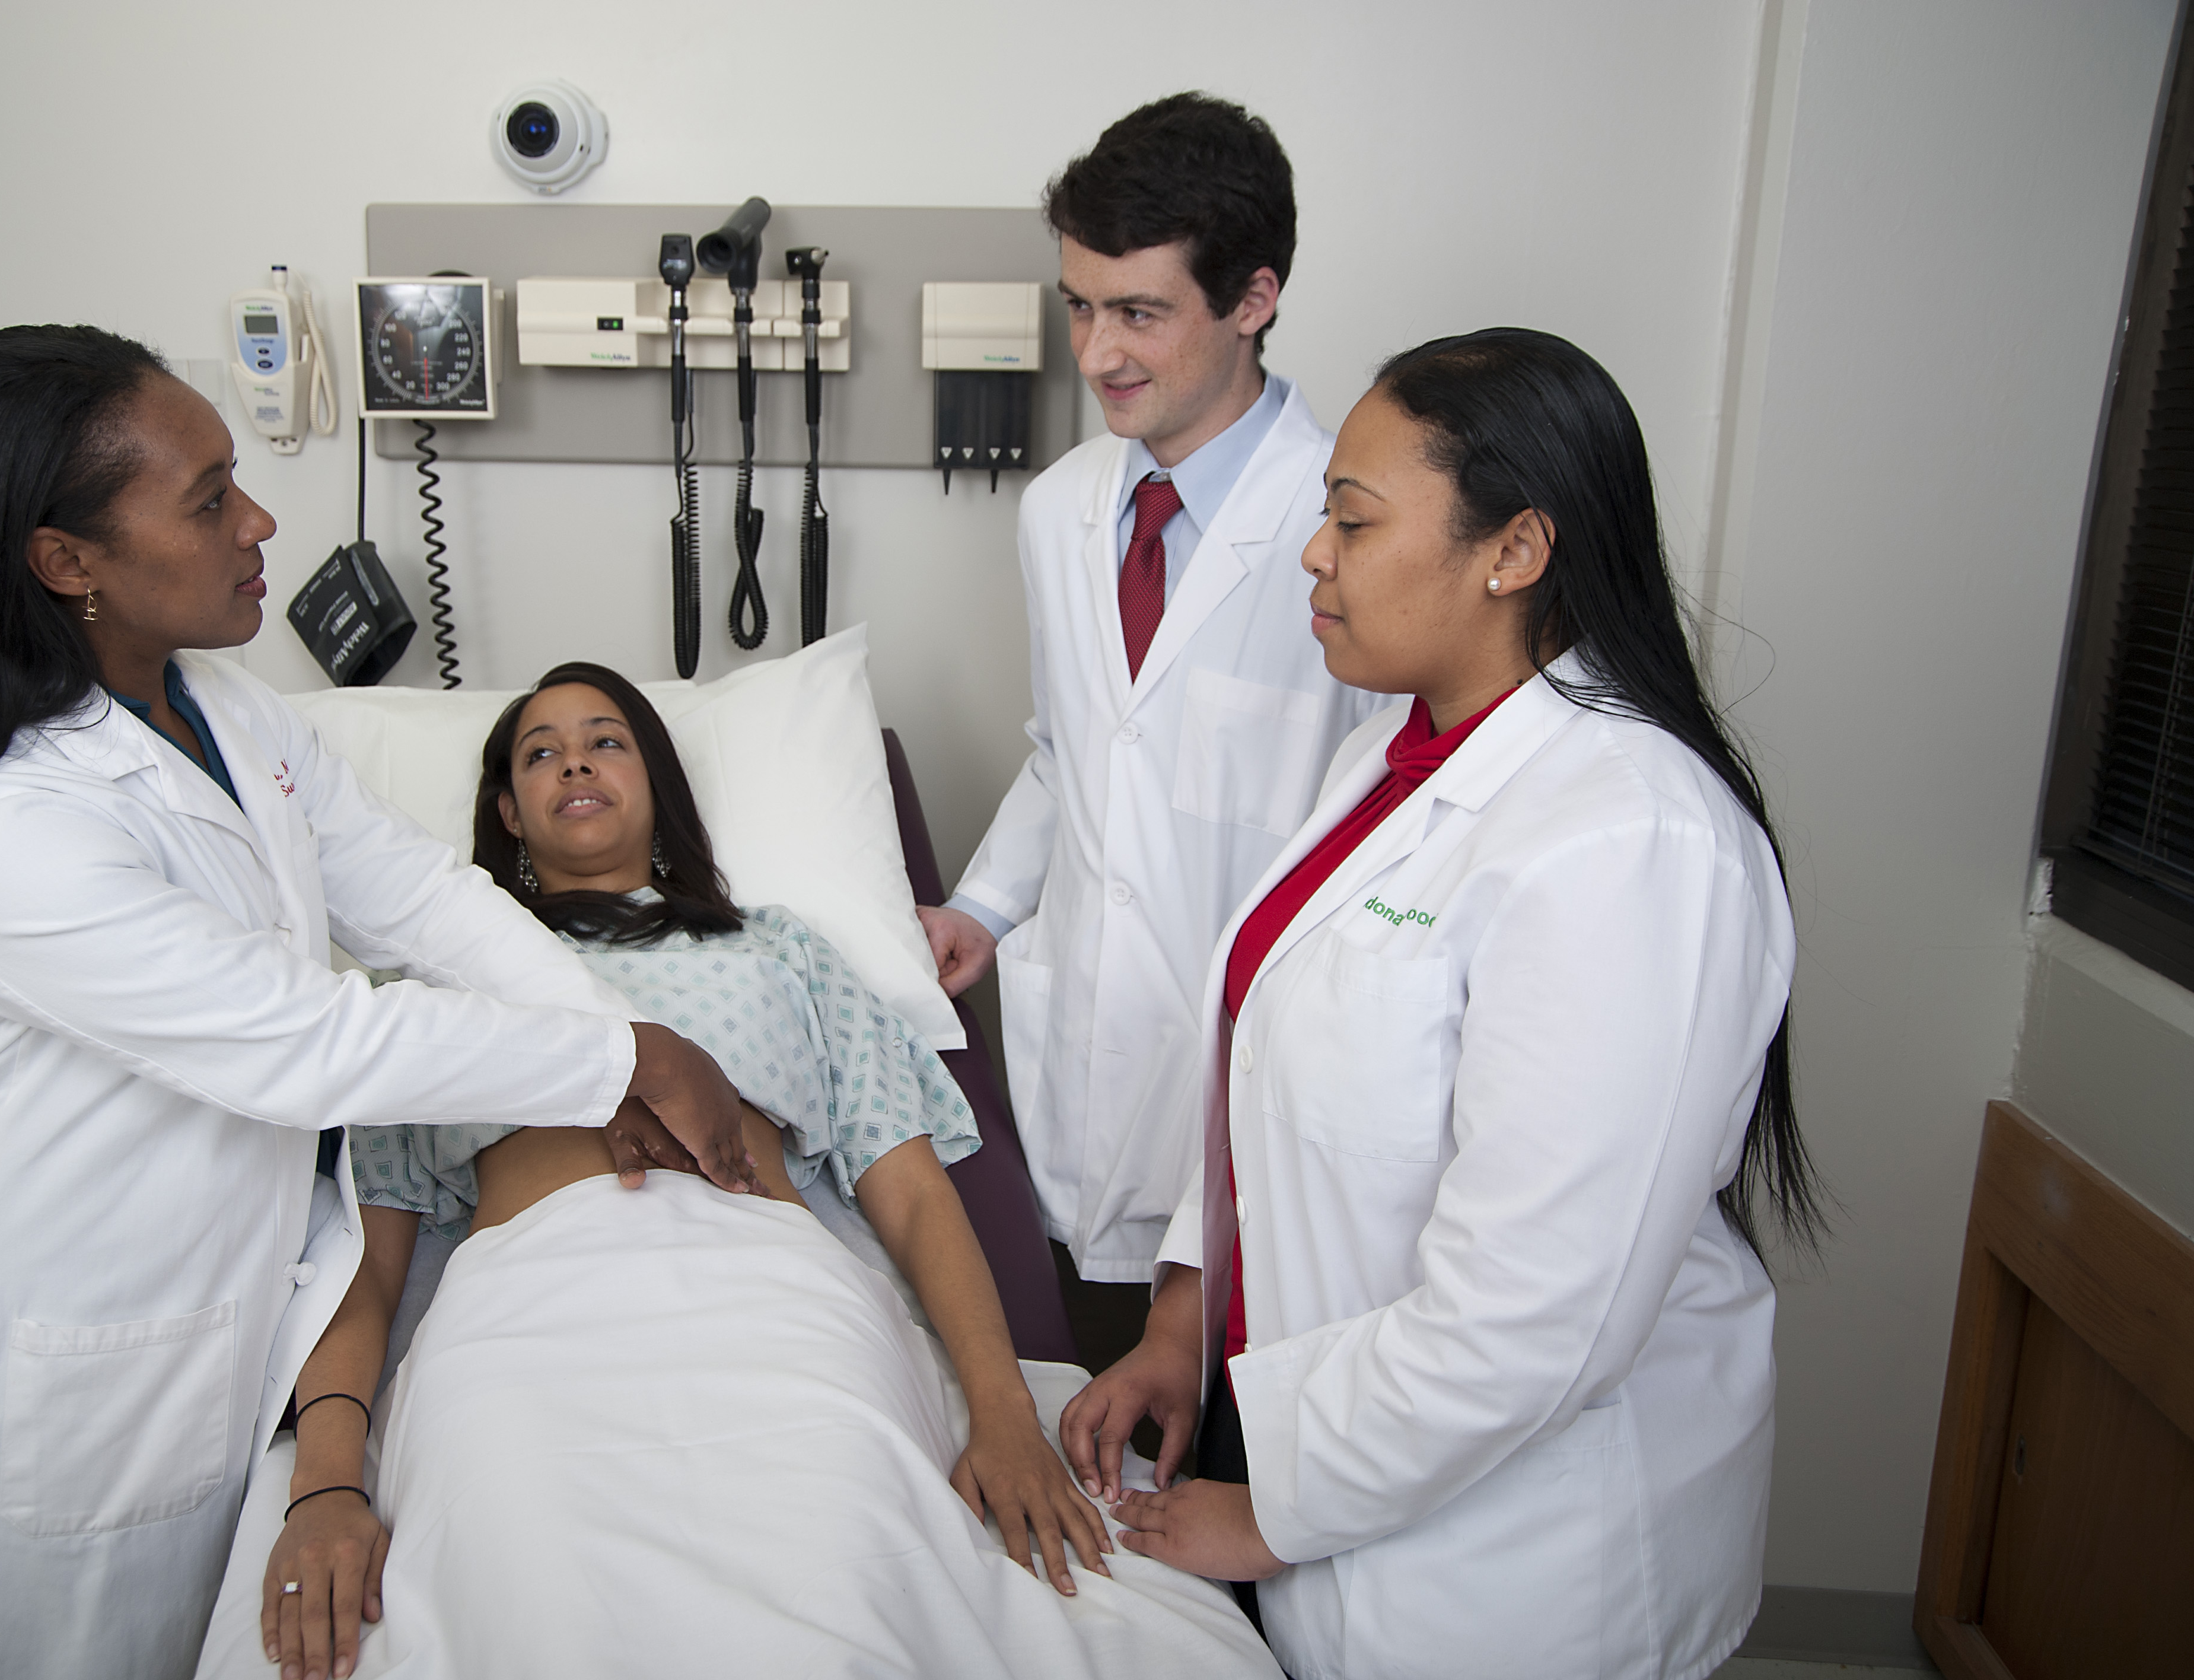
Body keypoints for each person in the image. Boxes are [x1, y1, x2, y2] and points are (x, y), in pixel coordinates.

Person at [0, 327, 761, 1680]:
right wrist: (622, 1063)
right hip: (43, 1339)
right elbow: (308, 1041)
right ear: (67, 561)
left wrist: (616, 1041)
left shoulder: (223, 707)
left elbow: (421, 899)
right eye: (209, 501)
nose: (259, 522)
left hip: (216, 1315)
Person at [1060, 329, 1820, 1680]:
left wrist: (1272, 1511)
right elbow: (1274, 1081)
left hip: (1516, 1581)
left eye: (1353, 522)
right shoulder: (1390, 760)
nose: (1315, 555)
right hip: (1336, 1471)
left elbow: (1535, 1316)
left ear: (1513, 550)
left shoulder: (1629, 838)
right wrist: (1180, 1325)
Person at [251, 666, 1265, 1680]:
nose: (576, 765)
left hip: (766, 1287)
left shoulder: (774, 949)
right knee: (536, 1589)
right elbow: (362, 1264)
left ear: (656, 786)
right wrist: (327, 1486)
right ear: (509, 812)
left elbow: (912, 1193)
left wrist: (1003, 1415)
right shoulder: (420, 993)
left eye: (607, 742)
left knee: (837, 1562)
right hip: (523, 1313)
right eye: (541, 752)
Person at [916, 94, 1387, 1334]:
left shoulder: (1351, 529)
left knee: (1237, 1420)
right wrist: (981, 907)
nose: (1096, 355)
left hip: (1255, 1097)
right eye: (1079, 307)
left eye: (1139, 313)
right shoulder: (1059, 511)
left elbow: (1385, 822)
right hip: (1082, 1088)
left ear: (1253, 299)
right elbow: (1071, 751)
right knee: (1088, 1401)